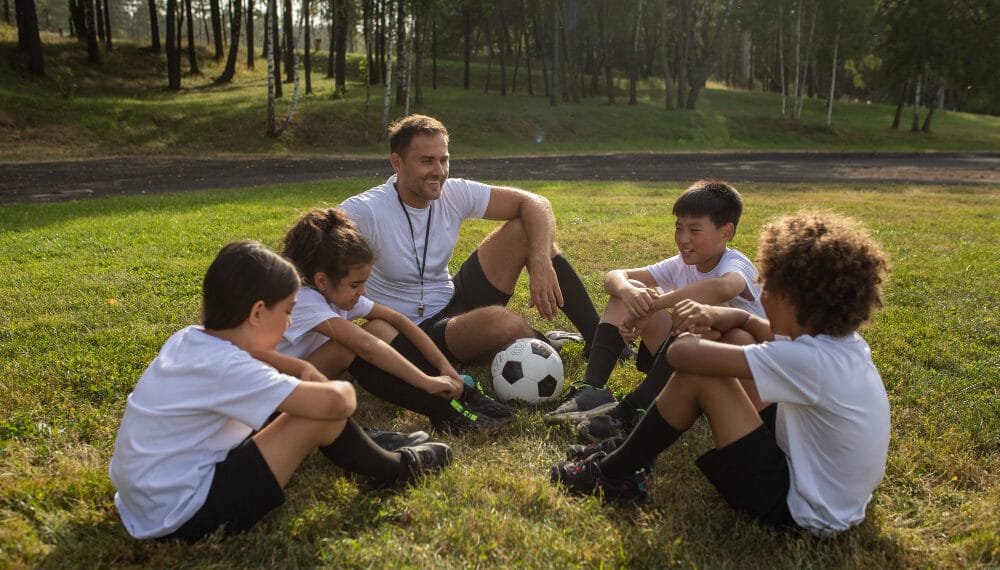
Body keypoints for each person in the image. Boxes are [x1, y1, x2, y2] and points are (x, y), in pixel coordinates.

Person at [550, 212, 891, 537]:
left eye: (767, 287)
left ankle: (612, 473)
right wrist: (735, 318)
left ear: (791, 300)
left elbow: (683, 355)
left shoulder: (808, 361)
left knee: (699, 375)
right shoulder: (839, 343)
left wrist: (693, 328)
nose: (761, 293)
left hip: (800, 511)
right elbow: (757, 329)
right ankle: (629, 452)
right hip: (823, 487)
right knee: (738, 340)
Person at [108, 241, 453, 542]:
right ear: (258, 311)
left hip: (144, 502)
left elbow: (247, 367)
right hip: (182, 517)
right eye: (287, 312)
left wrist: (290, 367)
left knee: (294, 408)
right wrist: (308, 371)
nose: (290, 323)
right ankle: (395, 468)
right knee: (316, 416)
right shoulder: (231, 369)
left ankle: (366, 449)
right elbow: (338, 402)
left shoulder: (188, 338)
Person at [339, 114, 600, 367]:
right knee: (502, 323)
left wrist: (540, 260)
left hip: (454, 297)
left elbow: (535, 203)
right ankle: (542, 346)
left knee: (525, 230)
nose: (439, 171)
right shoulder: (365, 211)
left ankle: (600, 342)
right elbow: (310, 255)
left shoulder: (452, 192)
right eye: (427, 161)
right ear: (397, 163)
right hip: (417, 328)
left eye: (444, 160)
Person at [545, 180, 764, 441]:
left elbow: (724, 288)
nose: (683, 239)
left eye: (695, 230)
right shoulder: (682, 264)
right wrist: (630, 292)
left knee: (706, 316)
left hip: (739, 380)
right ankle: (592, 390)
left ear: (726, 232)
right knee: (630, 291)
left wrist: (656, 304)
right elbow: (614, 276)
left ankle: (639, 405)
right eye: (679, 228)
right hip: (685, 360)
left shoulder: (736, 263)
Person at [278, 208, 514, 435]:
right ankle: (442, 412)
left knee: (379, 327)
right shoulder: (304, 299)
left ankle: (460, 395)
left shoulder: (335, 293)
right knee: (349, 345)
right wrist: (426, 382)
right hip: (278, 400)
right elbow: (366, 347)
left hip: (311, 381)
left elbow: (398, 321)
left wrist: (444, 368)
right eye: (355, 285)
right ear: (321, 281)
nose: (363, 291)